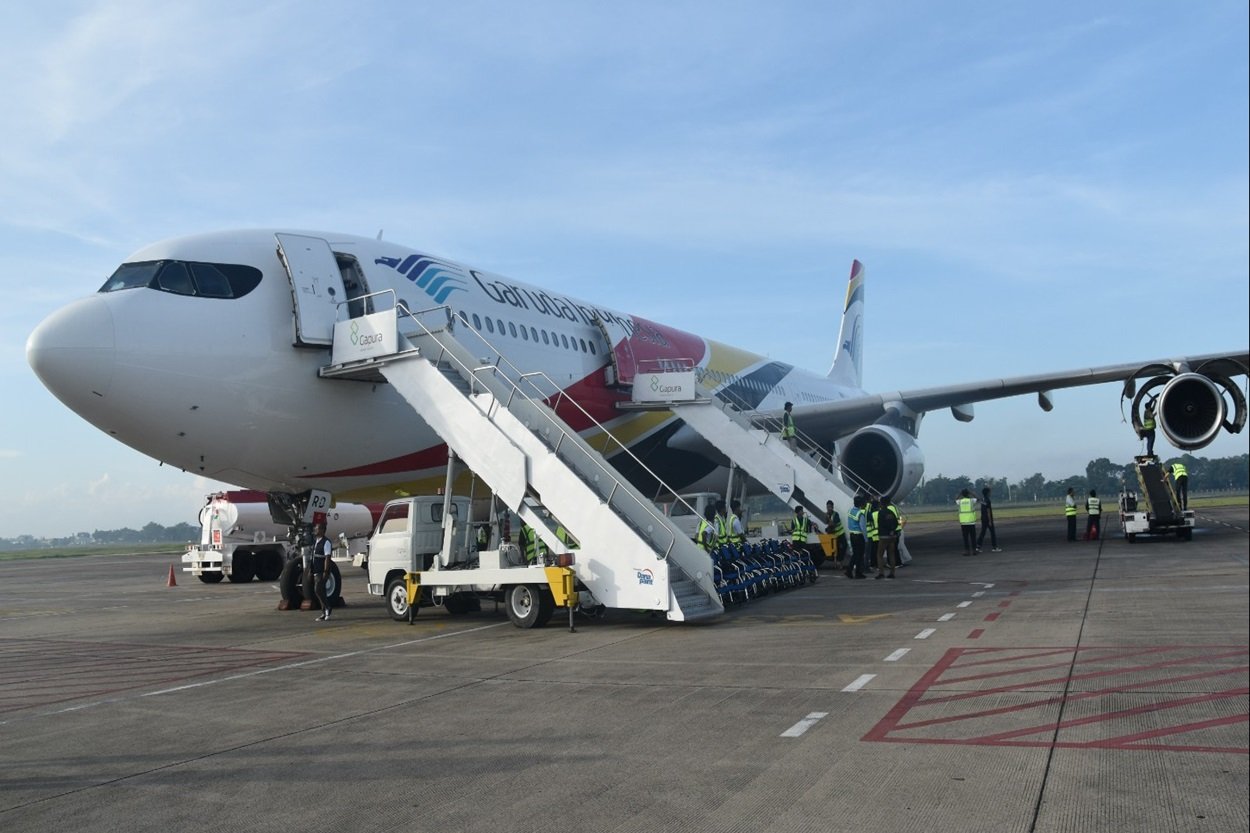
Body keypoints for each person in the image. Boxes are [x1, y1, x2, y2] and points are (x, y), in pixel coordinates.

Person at [311, 523, 334, 621]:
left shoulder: (326, 542)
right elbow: (313, 557)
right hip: (316, 570)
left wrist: (326, 571)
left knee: (318, 590)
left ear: (323, 530)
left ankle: (328, 607)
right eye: (315, 528)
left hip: (322, 570)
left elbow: (327, 558)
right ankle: (324, 612)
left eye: (318, 529)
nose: (315, 530)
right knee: (322, 591)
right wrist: (311, 570)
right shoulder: (316, 541)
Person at [875, 494, 900, 579]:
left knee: (879, 555)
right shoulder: (891, 512)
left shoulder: (881, 512)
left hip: (883, 536)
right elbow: (896, 523)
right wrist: (892, 530)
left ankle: (881, 573)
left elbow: (881, 523)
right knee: (891, 554)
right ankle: (892, 573)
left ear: (881, 503)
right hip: (892, 536)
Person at [845, 494, 868, 578]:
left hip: (852, 535)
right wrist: (866, 539)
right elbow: (863, 527)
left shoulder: (850, 511)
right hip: (859, 536)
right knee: (860, 555)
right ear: (860, 504)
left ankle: (849, 570)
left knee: (855, 554)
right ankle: (858, 573)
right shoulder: (860, 514)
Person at [977, 486, 1001, 552]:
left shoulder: (983, 499)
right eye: (990, 492)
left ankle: (978, 547)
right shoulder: (987, 500)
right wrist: (990, 521)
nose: (990, 493)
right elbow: (988, 511)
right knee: (992, 533)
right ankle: (995, 547)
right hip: (988, 519)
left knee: (982, 533)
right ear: (987, 493)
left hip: (983, 518)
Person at [957, 489, 979, 555]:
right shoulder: (971, 500)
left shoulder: (960, 501)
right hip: (971, 521)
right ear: (968, 494)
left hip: (963, 522)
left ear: (962, 494)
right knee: (973, 537)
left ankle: (967, 551)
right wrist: (971, 493)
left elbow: (956, 499)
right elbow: (978, 498)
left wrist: (960, 493)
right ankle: (974, 550)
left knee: (965, 537)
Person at [824, 499, 845, 566]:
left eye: (830, 507)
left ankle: (839, 561)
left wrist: (828, 518)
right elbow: (826, 523)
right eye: (827, 507)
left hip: (840, 534)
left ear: (832, 507)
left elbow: (833, 524)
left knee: (843, 547)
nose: (828, 508)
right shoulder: (827, 514)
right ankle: (837, 562)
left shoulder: (836, 514)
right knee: (835, 549)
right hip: (834, 535)